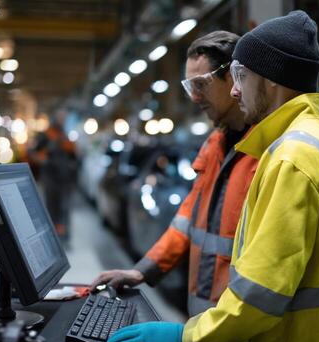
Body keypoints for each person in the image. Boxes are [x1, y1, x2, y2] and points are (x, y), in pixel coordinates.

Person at [106, 11, 319, 342]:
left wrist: (185, 336)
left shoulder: (289, 157)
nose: (234, 91)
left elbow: (261, 293)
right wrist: (148, 270)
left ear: (271, 78)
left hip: (280, 336)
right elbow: (191, 216)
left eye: (240, 76)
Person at [91, 31, 258, 317]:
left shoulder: (267, 152)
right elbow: (187, 219)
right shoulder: (215, 147)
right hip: (205, 323)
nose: (194, 97)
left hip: (239, 328)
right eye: (189, 86)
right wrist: (143, 270)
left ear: (233, 77)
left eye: (201, 84)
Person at [30, 111, 78, 242]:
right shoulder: (46, 136)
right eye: (61, 118)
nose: (62, 120)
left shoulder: (66, 136)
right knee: (52, 209)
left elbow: (73, 156)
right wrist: (44, 161)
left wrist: (72, 167)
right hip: (50, 178)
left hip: (65, 179)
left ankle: (65, 238)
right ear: (55, 119)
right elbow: (33, 152)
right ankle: (52, 239)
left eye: (64, 118)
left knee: (65, 209)